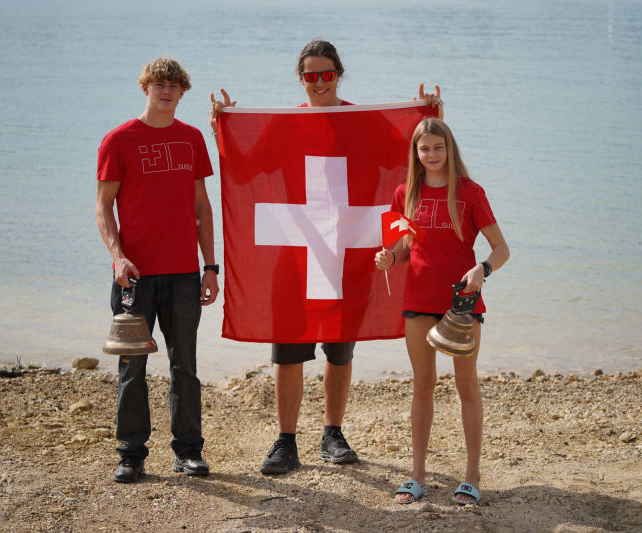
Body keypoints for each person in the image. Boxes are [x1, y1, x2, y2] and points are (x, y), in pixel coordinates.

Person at [210, 40, 442, 475]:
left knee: (340, 347)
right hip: (295, 254)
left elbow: (413, 156)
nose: (319, 82)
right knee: (288, 350)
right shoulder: (285, 125)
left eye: (327, 74)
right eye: (310, 75)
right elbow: (248, 167)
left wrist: (429, 117)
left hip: (349, 254)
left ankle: (332, 434)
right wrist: (225, 129)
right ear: (301, 79)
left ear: (339, 74)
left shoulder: (364, 123)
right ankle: (286, 441)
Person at [96, 57, 219, 483]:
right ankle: (131, 454)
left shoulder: (192, 138)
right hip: (134, 276)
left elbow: (202, 207)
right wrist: (118, 256)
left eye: (174, 85)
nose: (167, 91)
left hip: (184, 273)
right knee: (132, 368)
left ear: (183, 92)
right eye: (159, 84)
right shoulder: (119, 139)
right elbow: (103, 207)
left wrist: (210, 266)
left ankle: (188, 451)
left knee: (185, 365)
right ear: (145, 87)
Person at [375, 118, 509, 505]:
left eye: (438, 147)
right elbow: (404, 248)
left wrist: (482, 269)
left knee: (466, 385)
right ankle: (416, 476)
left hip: (462, 301)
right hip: (417, 300)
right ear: (415, 153)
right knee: (423, 384)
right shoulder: (404, 193)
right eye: (425, 148)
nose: (432, 154)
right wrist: (389, 258)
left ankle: (472, 477)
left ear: (449, 149)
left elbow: (502, 249)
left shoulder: (470, 192)